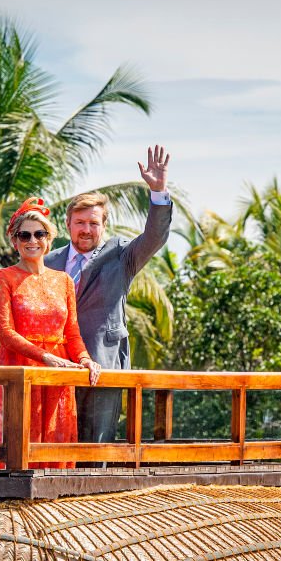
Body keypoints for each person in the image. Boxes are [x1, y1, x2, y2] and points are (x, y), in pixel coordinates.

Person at [45, 145, 172, 446]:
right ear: (68, 224)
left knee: (97, 443)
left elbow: (154, 237)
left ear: (104, 225)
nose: (86, 229)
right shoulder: (49, 262)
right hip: (56, 367)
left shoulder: (122, 257)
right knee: (54, 441)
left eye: (93, 223)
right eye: (80, 223)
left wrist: (158, 192)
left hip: (104, 364)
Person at [0, 198, 102, 469]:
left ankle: (53, 507)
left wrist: (84, 359)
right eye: (24, 235)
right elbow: (5, 334)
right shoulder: (3, 277)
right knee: (16, 444)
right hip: (18, 369)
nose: (32, 240)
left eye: (40, 234)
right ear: (15, 241)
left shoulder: (64, 281)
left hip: (56, 375)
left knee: (54, 440)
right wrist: (46, 357)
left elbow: (72, 333)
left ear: (49, 240)